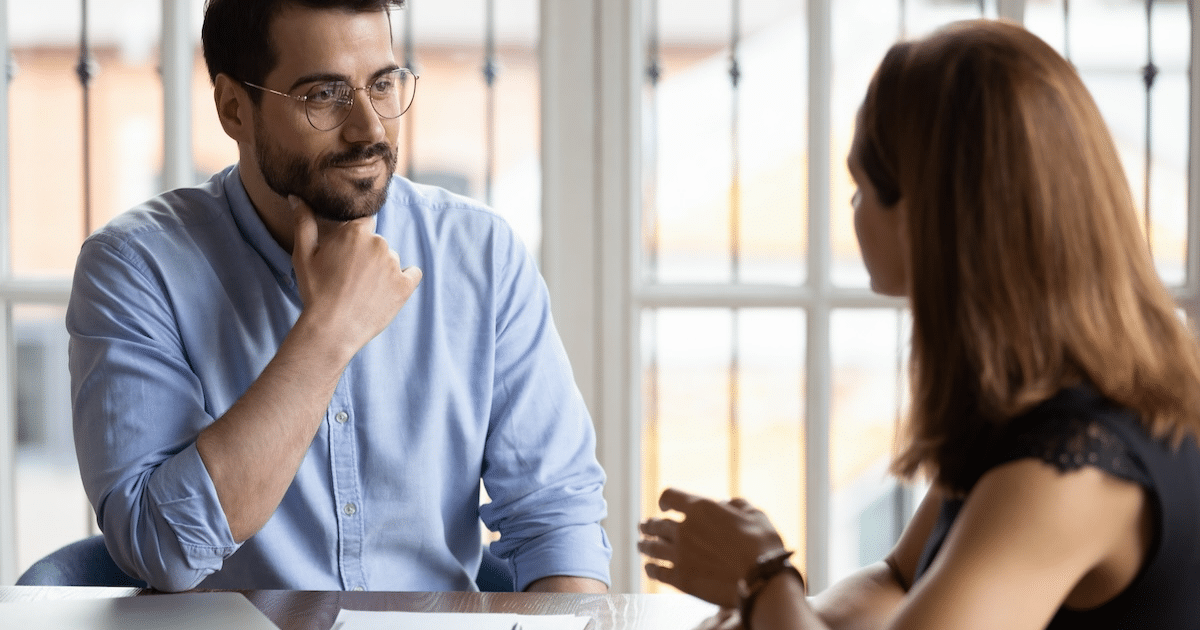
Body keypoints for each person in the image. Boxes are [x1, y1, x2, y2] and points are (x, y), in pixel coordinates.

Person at [639, 19, 1200, 630]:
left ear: (926, 215)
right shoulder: (1038, 396)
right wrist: (775, 609)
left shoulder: (1066, 470)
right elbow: (899, 580)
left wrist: (762, 579)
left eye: (862, 186)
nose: (851, 209)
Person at [67, 0, 610, 594]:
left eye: (382, 84)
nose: (370, 129)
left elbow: (557, 522)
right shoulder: (135, 267)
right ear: (232, 108)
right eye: (324, 95)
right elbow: (159, 548)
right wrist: (328, 333)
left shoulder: (480, 254)